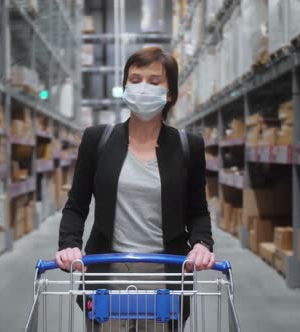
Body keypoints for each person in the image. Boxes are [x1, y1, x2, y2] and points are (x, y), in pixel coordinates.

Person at [55, 47, 215, 331]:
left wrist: (201, 244)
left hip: (165, 277)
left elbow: (198, 212)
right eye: (135, 78)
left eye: (154, 81)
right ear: (125, 86)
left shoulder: (188, 146)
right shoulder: (98, 140)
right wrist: (69, 245)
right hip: (108, 275)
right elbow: (76, 205)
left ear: (169, 94)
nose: (142, 88)